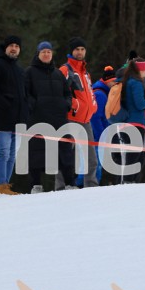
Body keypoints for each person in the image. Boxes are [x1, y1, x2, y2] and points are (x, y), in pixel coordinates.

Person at [24, 42, 75, 193]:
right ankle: (36, 185)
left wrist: (65, 104)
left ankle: (69, 183)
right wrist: (35, 105)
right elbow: (25, 94)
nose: (46, 54)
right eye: (43, 52)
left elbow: (68, 93)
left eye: (49, 52)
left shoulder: (58, 73)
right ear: (38, 54)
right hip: (38, 119)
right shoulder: (29, 72)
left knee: (65, 151)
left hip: (59, 118)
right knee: (37, 152)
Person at [57, 37, 98, 190]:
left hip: (86, 119)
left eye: (82, 49)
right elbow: (60, 92)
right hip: (70, 118)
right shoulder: (65, 70)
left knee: (91, 158)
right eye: (77, 50)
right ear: (71, 51)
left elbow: (90, 92)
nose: (80, 52)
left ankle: (91, 186)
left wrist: (93, 105)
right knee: (67, 155)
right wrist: (76, 105)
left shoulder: (85, 72)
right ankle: (61, 187)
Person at [0, 35, 28, 195]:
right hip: (2, 117)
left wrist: (24, 114)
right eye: (11, 46)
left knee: (12, 153)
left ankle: (6, 185)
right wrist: (4, 106)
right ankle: (1, 185)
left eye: (17, 46)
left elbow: (23, 95)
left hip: (18, 119)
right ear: (6, 47)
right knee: (3, 151)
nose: (14, 48)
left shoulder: (19, 69)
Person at [117, 57, 145, 184]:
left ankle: (129, 181)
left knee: (134, 155)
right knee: (134, 156)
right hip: (135, 122)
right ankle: (128, 182)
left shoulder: (128, 81)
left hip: (128, 122)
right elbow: (140, 104)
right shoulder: (137, 83)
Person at [82, 65, 116, 186]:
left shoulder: (103, 92)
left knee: (94, 162)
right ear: (107, 81)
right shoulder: (101, 95)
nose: (115, 85)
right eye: (113, 82)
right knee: (95, 163)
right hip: (97, 137)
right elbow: (96, 118)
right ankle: (88, 185)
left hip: (98, 135)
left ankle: (89, 184)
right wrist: (102, 136)